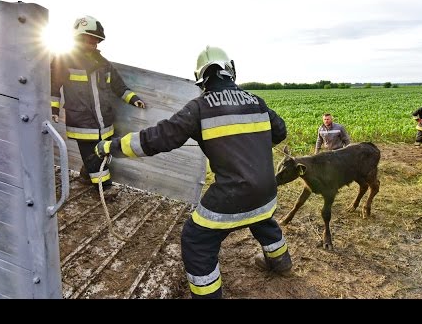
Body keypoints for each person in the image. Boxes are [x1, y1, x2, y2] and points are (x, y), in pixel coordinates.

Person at [94, 46, 292, 299]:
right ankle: (281, 263)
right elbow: (280, 132)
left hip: (232, 197)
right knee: (261, 218)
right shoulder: (257, 101)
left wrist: (111, 146)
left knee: (196, 238)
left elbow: (156, 139)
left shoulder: (199, 108)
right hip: (267, 194)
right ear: (230, 71)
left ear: (201, 78)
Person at [50, 15, 146, 197]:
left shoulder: (103, 64)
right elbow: (54, 86)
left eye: (97, 40)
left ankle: (86, 176)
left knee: (100, 154)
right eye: (90, 39)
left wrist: (134, 99)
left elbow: (119, 86)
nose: (94, 43)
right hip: (81, 121)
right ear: (78, 38)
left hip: (104, 122)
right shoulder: (63, 60)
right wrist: (53, 109)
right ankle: (106, 188)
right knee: (93, 153)